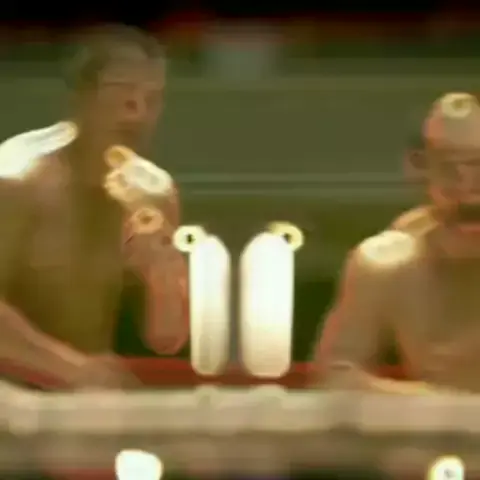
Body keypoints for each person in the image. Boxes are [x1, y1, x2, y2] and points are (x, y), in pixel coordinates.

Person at [0, 25, 189, 389]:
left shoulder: (155, 192)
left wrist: (162, 272)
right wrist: (75, 370)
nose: (138, 111)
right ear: (82, 99)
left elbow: (167, 338)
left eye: (152, 98)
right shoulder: (16, 180)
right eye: (122, 93)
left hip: (85, 393)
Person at [313, 92, 480, 394]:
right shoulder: (387, 264)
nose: (468, 188)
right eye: (450, 168)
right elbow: (336, 373)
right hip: (436, 420)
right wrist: (440, 405)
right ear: (422, 168)